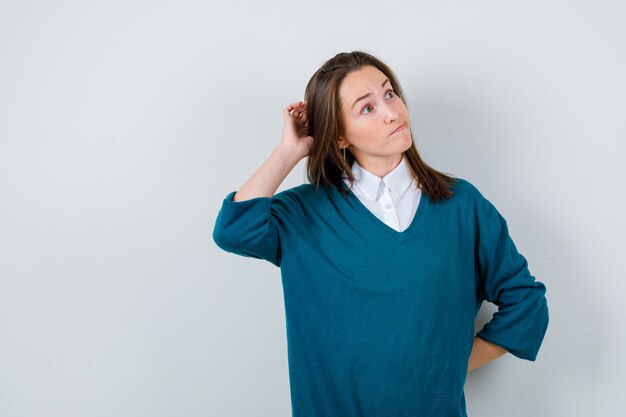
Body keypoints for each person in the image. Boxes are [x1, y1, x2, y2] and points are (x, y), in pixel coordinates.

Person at [212, 50, 549, 417]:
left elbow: (527, 304)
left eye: (389, 94)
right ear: (339, 136)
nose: (392, 112)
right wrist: (289, 151)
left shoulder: (461, 205)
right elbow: (234, 229)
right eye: (367, 108)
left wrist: (450, 364)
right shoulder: (302, 214)